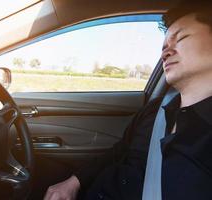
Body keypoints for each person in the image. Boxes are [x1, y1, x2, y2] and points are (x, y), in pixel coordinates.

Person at [44, 1, 212, 199]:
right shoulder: (155, 110)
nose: (165, 53)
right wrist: (73, 181)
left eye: (181, 38)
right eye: (164, 46)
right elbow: (118, 152)